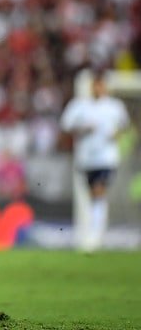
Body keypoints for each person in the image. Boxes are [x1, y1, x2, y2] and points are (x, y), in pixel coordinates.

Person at [60, 71, 130, 252]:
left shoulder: (115, 106)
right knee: (93, 194)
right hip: (86, 158)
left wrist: (116, 135)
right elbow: (65, 125)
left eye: (101, 84)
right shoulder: (80, 105)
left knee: (99, 190)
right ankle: (94, 231)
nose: (98, 88)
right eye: (95, 84)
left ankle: (95, 235)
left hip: (106, 158)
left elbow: (125, 126)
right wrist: (82, 128)